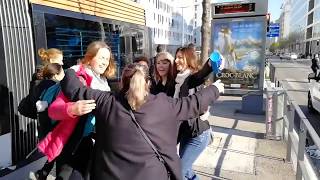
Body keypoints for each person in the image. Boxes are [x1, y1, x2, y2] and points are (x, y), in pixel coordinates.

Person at [59, 62, 224, 180]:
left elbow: (74, 89)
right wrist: (215, 89)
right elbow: (194, 103)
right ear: (148, 83)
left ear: (122, 82)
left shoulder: (105, 101)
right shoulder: (165, 105)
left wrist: (73, 70)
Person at [37, 41, 116, 180]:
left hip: (90, 140)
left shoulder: (103, 81)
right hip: (73, 142)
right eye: (101, 57)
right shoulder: (80, 78)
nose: (105, 62)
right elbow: (54, 110)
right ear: (90, 57)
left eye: (107, 59)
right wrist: (72, 108)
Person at [174, 46, 214, 180]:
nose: (176, 60)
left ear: (189, 59)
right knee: (187, 171)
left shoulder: (190, 78)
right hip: (187, 133)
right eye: (176, 57)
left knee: (179, 172)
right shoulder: (177, 79)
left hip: (198, 134)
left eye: (180, 57)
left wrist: (210, 64)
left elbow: (200, 76)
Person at [29, 48, 64, 180]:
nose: (62, 63)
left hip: (48, 123)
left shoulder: (41, 78)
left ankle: (42, 174)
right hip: (50, 123)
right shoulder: (47, 81)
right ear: (52, 62)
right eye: (60, 61)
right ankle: (43, 174)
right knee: (58, 153)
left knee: (57, 152)